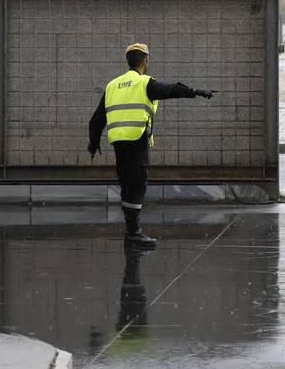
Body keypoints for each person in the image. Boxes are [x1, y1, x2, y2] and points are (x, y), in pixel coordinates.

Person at [88, 43, 215, 247]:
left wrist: (93, 143)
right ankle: (134, 233)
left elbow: (96, 120)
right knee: (137, 184)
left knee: (126, 184)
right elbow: (171, 90)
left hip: (119, 143)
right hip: (137, 141)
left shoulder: (112, 85)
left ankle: (131, 230)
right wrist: (196, 92)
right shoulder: (144, 83)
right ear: (145, 61)